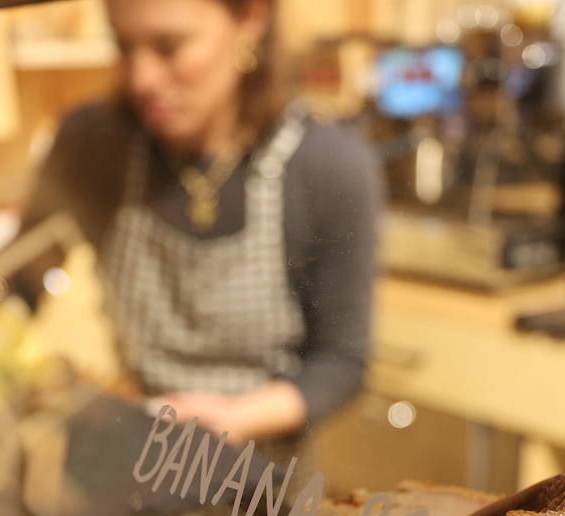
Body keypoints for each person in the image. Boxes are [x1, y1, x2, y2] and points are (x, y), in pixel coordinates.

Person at [21, 0, 381, 446]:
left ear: (250, 20)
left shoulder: (328, 165)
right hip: (132, 455)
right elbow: (17, 285)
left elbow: (342, 362)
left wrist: (239, 416)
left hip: (260, 484)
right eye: (123, 45)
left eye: (169, 47)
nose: (141, 79)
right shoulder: (91, 146)